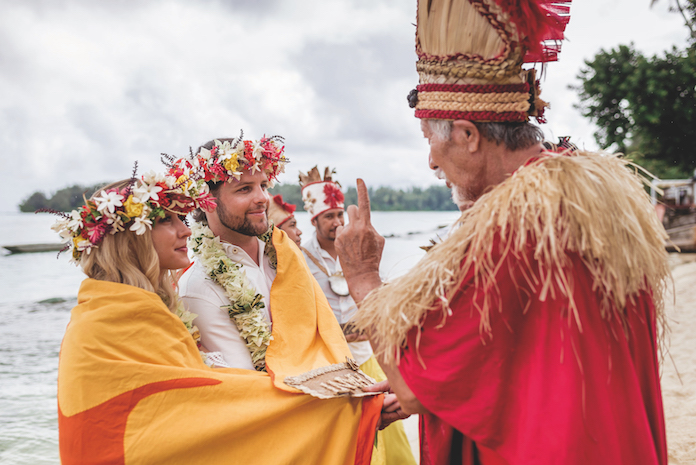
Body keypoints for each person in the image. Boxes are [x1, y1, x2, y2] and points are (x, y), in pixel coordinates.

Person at [336, 1, 671, 464]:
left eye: (430, 143)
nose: (431, 162)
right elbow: (524, 355)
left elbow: (413, 390)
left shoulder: (512, 228)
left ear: (467, 135)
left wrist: (362, 277)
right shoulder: (589, 196)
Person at [52, 163, 382, 465]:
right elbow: (195, 406)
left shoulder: (151, 304)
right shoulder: (115, 315)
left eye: (263, 185)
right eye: (167, 220)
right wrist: (349, 408)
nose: (184, 231)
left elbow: (192, 397)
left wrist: (355, 400)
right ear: (130, 238)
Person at [175, 134, 402, 462]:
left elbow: (320, 345)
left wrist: (362, 399)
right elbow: (249, 394)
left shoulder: (284, 255)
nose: (262, 199)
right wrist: (355, 413)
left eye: (263, 185)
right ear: (205, 200)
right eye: (244, 189)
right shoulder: (201, 288)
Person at [299, 166, 417, 465]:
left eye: (340, 214)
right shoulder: (299, 257)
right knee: (352, 441)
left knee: (393, 441)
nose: (337, 222)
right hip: (330, 363)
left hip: (369, 355)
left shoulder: (359, 246)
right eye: (329, 216)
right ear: (314, 220)